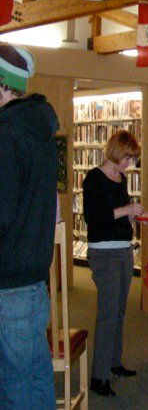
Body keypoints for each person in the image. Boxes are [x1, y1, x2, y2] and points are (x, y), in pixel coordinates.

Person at [0, 46, 58, 409]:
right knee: (35, 373)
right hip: (34, 276)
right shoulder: (41, 132)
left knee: (13, 384)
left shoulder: (5, 135)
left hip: (7, 280)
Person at [83, 129, 143, 397]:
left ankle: (114, 363)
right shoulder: (93, 179)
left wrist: (132, 217)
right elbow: (95, 219)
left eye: (132, 159)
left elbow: (117, 216)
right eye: (127, 157)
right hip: (103, 252)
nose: (129, 163)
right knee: (107, 313)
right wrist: (127, 210)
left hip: (123, 249)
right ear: (117, 152)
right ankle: (98, 376)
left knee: (119, 310)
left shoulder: (121, 179)